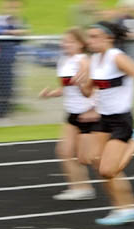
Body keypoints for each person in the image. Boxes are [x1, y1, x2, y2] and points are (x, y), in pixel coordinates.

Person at [80, 21, 134, 226]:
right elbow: (89, 91)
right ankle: (126, 208)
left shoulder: (116, 57)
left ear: (108, 38)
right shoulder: (94, 60)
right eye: (89, 36)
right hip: (102, 119)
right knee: (95, 162)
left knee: (108, 170)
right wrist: (80, 80)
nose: (90, 41)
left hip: (121, 120)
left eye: (94, 36)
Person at [40, 28, 98, 201]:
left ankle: (132, 143)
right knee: (64, 151)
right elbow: (66, 89)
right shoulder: (63, 60)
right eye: (64, 41)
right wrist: (50, 94)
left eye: (70, 41)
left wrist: (93, 109)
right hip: (72, 114)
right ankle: (79, 188)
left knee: (89, 157)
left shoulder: (84, 61)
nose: (65, 44)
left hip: (87, 114)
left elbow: (95, 89)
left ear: (80, 44)